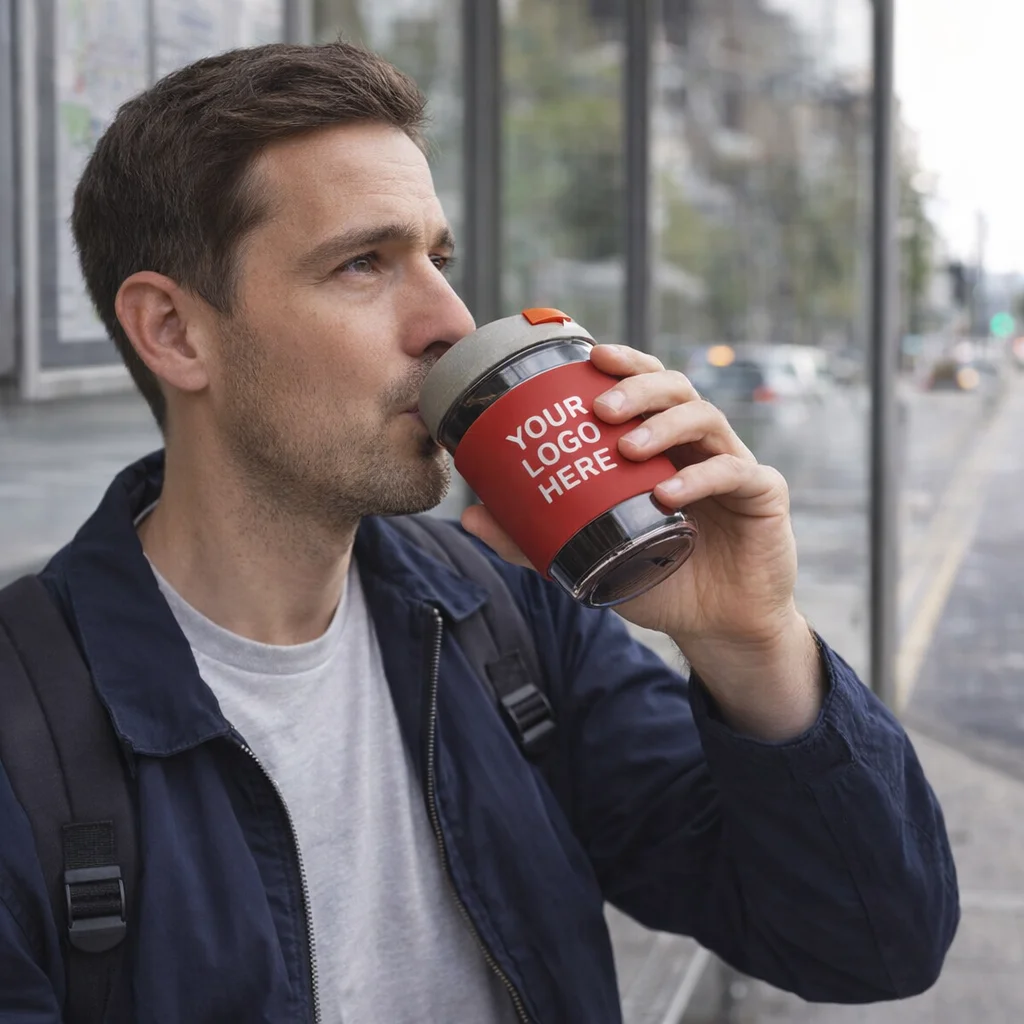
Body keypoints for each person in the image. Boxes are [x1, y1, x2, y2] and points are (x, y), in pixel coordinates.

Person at [0, 42, 957, 1023]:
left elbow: (870, 942)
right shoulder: (28, 723)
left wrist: (748, 636)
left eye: (438, 259)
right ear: (173, 332)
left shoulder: (502, 619)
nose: (450, 321)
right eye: (363, 263)